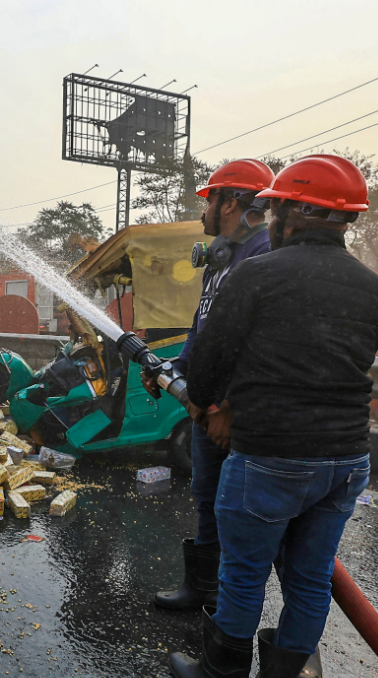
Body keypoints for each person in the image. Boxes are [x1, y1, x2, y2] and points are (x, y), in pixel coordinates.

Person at [168, 155, 378, 678]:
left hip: (271, 455)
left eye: (272, 206)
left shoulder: (257, 275)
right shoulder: (376, 290)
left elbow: (209, 368)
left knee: (244, 575)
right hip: (347, 460)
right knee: (311, 578)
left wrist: (206, 401)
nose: (266, 217)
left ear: (293, 212)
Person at [151, 159, 274, 612]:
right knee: (207, 500)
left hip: (232, 415)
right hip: (205, 410)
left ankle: (233, 609)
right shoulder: (221, 258)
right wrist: (175, 367)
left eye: (209, 199)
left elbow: (259, 345)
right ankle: (201, 590)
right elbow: (202, 329)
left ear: (231, 202)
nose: (203, 209)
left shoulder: (261, 258)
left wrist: (228, 405)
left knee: (242, 515)